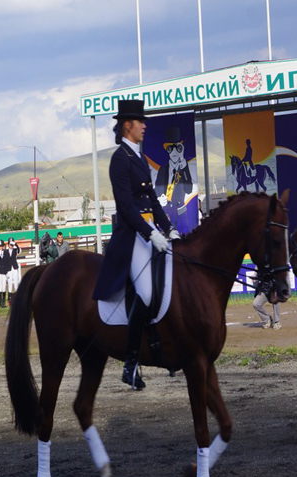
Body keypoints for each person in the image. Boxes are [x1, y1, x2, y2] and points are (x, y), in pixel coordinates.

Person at [92, 99, 180, 391]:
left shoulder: (140, 159)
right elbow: (127, 207)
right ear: (127, 125)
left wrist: (169, 228)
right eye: (140, 122)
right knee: (144, 290)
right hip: (131, 236)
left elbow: (152, 201)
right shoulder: (119, 159)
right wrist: (149, 233)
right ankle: (130, 364)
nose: (145, 125)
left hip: (150, 229)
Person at [154, 126, 195, 231]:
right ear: (167, 151)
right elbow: (157, 190)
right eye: (170, 149)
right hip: (165, 213)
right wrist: (159, 198)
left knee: (184, 240)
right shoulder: (162, 170)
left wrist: (182, 160)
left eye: (177, 148)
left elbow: (188, 189)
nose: (174, 153)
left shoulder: (183, 168)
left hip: (180, 213)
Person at [6, 237, 21, 305]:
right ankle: (9, 300)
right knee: (9, 285)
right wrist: (6, 272)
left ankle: (17, 299)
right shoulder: (6, 251)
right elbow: (5, 261)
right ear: (8, 244)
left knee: (15, 283)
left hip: (14, 268)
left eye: (12, 245)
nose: (11, 246)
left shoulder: (15, 250)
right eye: (10, 244)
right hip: (9, 269)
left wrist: (16, 244)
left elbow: (19, 251)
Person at [0, 239, 9, 308]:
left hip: (4, 272)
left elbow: (6, 262)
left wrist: (7, 272)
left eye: (1, 246)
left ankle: (4, 303)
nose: (1, 247)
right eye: (0, 246)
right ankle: (1, 304)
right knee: (0, 287)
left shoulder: (5, 252)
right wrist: (0, 256)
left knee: (4, 288)